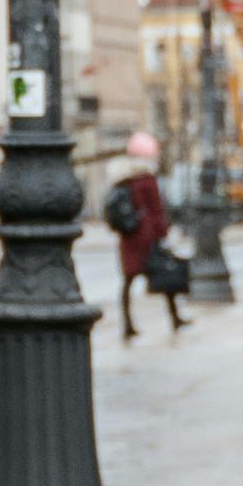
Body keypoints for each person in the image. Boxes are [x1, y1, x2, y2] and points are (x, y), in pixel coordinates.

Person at [106, 131, 186, 339]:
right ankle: (175, 318)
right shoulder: (147, 179)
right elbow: (155, 210)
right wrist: (163, 233)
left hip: (129, 238)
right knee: (167, 276)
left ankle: (127, 325)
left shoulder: (123, 178)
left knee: (128, 282)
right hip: (147, 238)